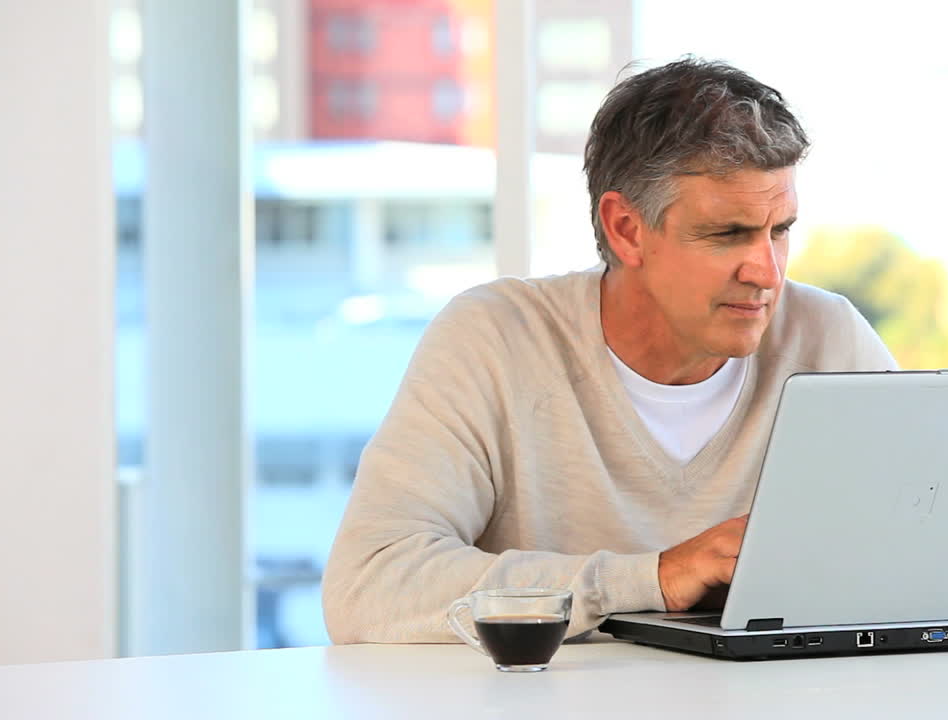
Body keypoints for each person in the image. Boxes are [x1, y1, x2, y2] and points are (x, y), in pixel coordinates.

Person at [322, 57, 897, 643]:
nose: (767, 272)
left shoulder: (829, 338)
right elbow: (369, 586)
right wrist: (650, 580)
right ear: (626, 229)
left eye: (780, 231)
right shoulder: (496, 339)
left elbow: (932, 556)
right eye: (728, 234)